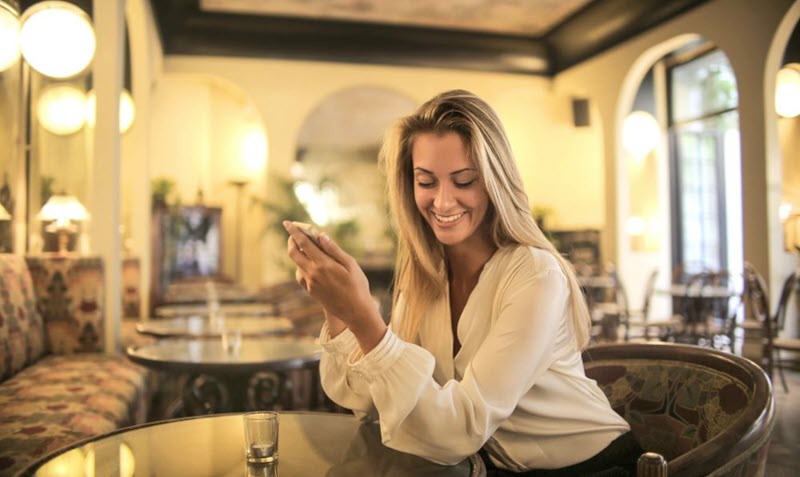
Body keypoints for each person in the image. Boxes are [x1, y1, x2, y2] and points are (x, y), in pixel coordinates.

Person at [284, 90, 641, 476]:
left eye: (464, 180)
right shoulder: (425, 277)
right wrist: (338, 309)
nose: (443, 201)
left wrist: (364, 315)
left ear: (494, 182)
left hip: (592, 469)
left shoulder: (536, 276)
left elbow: (459, 429)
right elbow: (366, 400)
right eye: (426, 181)